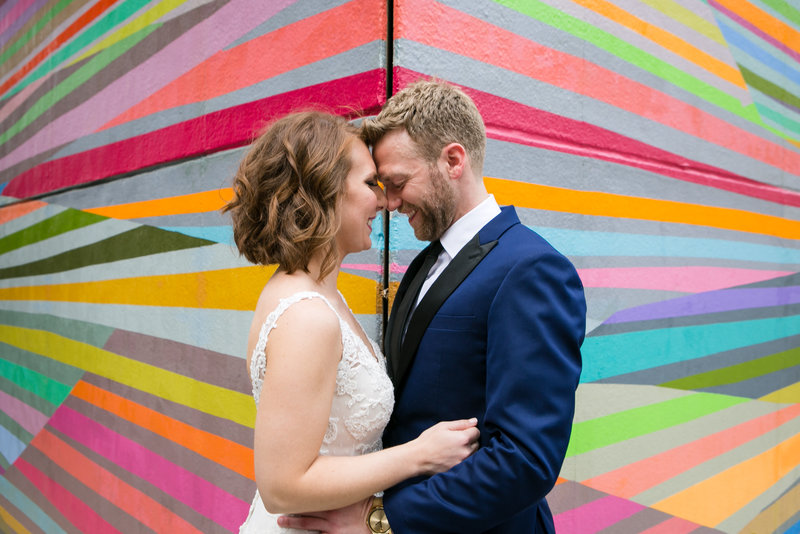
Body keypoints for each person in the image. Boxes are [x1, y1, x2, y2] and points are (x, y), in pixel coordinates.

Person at [279, 81, 586, 533]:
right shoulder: (424, 265)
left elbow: (526, 459)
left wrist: (381, 520)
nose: (391, 202)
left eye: (399, 184)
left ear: (453, 160)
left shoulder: (531, 269)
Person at [224, 111, 480, 534]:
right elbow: (282, 487)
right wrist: (420, 454)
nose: (383, 202)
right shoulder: (307, 315)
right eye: (368, 185)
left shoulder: (321, 295)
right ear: (324, 190)